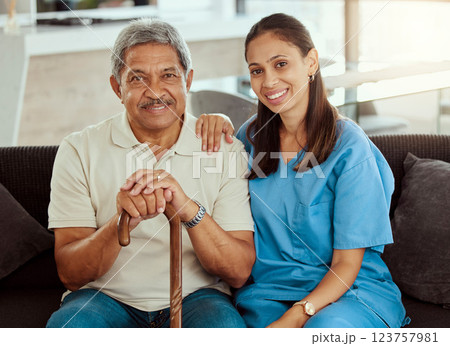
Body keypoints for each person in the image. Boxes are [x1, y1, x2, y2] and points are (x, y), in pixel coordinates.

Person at [196, 13, 408, 328]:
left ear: (311, 63)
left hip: (347, 293)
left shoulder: (350, 147)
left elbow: (347, 264)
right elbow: (200, 184)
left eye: (280, 64)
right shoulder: (248, 139)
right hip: (267, 295)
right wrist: (216, 122)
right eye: (257, 70)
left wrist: (297, 316)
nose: (268, 82)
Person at [46, 18, 255, 328]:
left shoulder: (225, 149)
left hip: (198, 297)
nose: (155, 92)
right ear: (117, 87)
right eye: (137, 78)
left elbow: (238, 270)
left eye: (168, 75)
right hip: (103, 298)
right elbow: (71, 274)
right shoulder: (79, 149)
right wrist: (120, 223)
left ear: (188, 80)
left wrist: (189, 210)